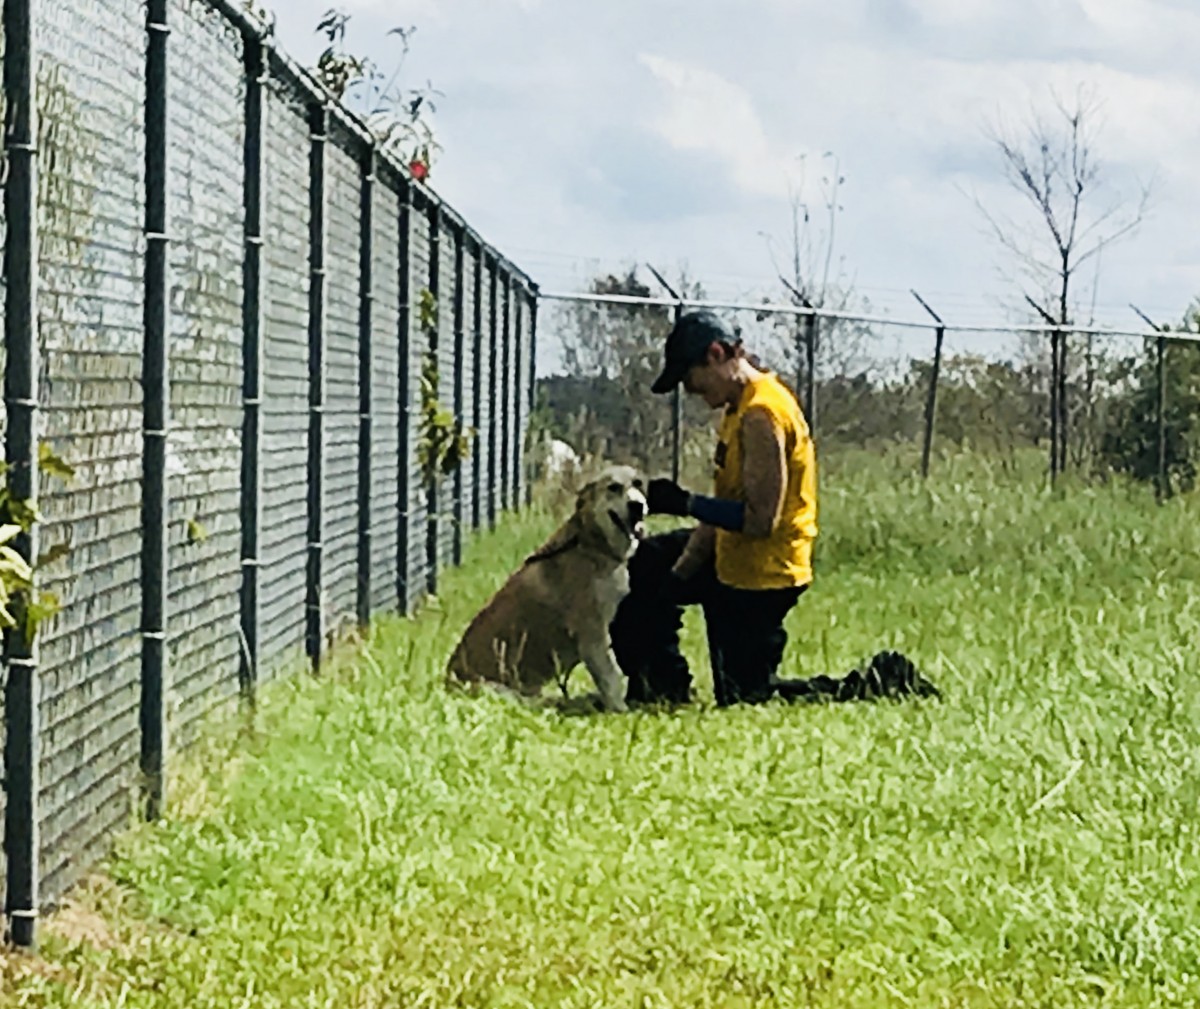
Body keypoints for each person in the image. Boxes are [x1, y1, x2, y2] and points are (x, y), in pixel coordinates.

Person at [608, 309, 938, 707]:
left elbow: (761, 520)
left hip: (764, 574)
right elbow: (725, 504)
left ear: (716, 355)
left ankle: (879, 682)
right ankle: (660, 688)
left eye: (689, 376)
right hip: (730, 555)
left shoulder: (762, 414)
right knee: (640, 568)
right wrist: (679, 574)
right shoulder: (737, 408)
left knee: (746, 696)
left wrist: (685, 503)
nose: (689, 390)